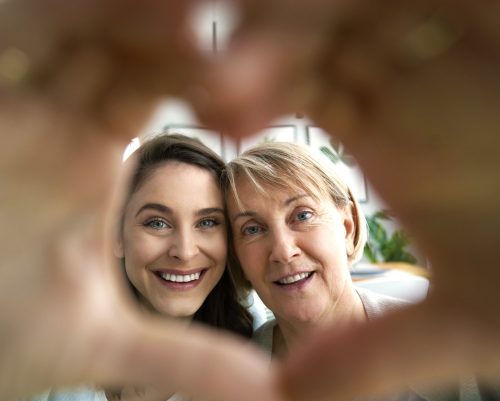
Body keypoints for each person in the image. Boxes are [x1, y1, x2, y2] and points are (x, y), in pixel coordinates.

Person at [223, 141, 470, 401]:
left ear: (347, 227)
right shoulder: (229, 383)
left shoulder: (445, 351)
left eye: (303, 215)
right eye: (252, 229)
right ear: (237, 258)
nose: (283, 251)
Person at [25, 133, 255, 401]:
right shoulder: (50, 360)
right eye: (157, 223)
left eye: (207, 222)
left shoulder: (258, 355)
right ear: (116, 236)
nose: (184, 251)